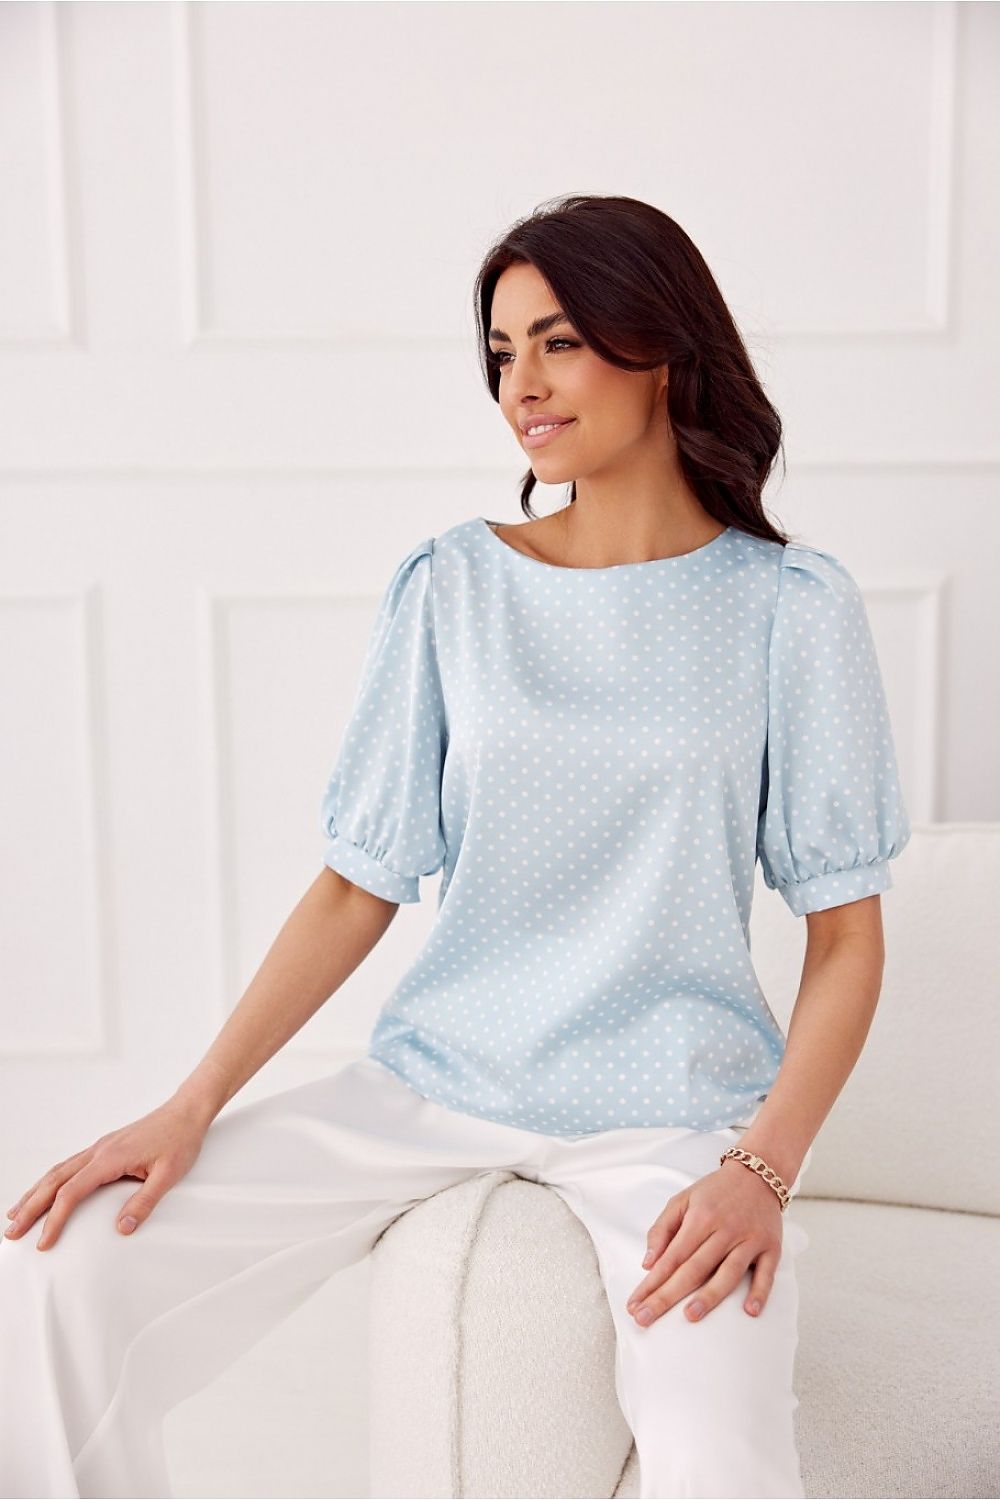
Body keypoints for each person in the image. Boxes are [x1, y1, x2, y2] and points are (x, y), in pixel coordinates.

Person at [0, 194, 911, 1500]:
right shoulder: (454, 586)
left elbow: (847, 937)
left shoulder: (788, 609)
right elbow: (354, 886)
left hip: (668, 1112)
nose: (519, 385)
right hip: (432, 1083)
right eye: (500, 353)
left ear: (661, 348)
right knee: (63, 1265)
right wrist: (189, 1106)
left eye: (558, 342)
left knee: (722, 1451)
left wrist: (761, 1169)